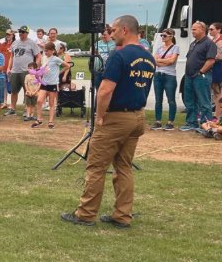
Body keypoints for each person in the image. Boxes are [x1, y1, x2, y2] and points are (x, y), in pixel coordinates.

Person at [62, 15, 155, 228]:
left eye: (113, 30)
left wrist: (100, 115)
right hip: (137, 116)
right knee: (124, 167)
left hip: (116, 117)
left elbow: (105, 90)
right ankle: (122, 215)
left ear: (124, 30)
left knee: (96, 167)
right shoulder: (148, 57)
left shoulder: (119, 54)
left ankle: (85, 214)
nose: (110, 35)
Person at [180, 21, 218, 132]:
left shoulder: (209, 43)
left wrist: (201, 72)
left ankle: (206, 125)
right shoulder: (194, 43)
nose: (192, 31)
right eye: (192, 29)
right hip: (189, 76)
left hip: (201, 76)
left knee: (204, 102)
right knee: (190, 101)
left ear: (202, 29)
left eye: (194, 29)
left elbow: (211, 60)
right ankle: (191, 123)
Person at [7, 27, 41, 119]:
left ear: (27, 33)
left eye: (22, 32)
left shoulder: (32, 43)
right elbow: (11, 56)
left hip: (27, 71)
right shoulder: (15, 42)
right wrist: (8, 68)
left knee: (28, 90)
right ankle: (13, 109)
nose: (20, 33)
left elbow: (38, 56)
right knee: (14, 91)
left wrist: (35, 68)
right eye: (19, 32)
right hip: (15, 70)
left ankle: (27, 110)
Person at [31, 42, 63, 129]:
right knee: (39, 101)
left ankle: (51, 121)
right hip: (44, 83)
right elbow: (42, 68)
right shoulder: (44, 58)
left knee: (51, 103)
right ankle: (39, 120)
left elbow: (67, 65)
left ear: (53, 51)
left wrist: (59, 73)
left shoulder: (56, 59)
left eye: (47, 51)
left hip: (52, 83)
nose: (46, 52)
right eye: (45, 51)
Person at [151, 29, 179, 130]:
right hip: (158, 75)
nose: (162, 37)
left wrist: (160, 61)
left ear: (171, 36)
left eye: (165, 36)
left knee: (171, 100)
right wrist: (164, 61)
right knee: (158, 100)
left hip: (169, 76)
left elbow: (172, 61)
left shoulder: (176, 48)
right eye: (162, 35)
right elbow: (154, 61)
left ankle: (170, 122)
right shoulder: (159, 48)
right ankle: (158, 121)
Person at [208, 22, 222, 102]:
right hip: (215, 67)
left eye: (211, 29)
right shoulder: (214, 39)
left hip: (218, 68)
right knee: (217, 93)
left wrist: (206, 58)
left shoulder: (221, 41)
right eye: (209, 29)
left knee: (218, 93)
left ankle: (219, 113)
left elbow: (219, 57)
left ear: (219, 30)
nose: (209, 31)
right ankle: (218, 113)